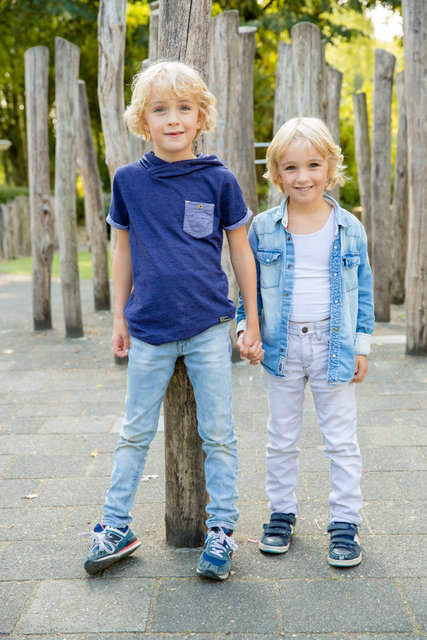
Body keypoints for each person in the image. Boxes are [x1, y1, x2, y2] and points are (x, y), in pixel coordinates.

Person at [79, 60, 263, 580]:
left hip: (209, 326)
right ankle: (116, 526)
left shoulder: (219, 179)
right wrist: (118, 316)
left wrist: (251, 319)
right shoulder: (128, 182)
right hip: (148, 330)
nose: (173, 119)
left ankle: (222, 530)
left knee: (219, 433)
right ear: (144, 121)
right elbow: (121, 251)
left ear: (201, 116)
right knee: (134, 431)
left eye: (184, 108)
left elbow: (241, 251)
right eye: (161, 110)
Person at [236, 117, 374, 567]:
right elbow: (249, 288)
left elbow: (365, 290)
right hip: (281, 344)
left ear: (331, 167)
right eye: (291, 168)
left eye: (313, 165)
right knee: (281, 437)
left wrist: (362, 345)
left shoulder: (349, 227)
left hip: (333, 344)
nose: (303, 177)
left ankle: (345, 521)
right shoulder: (264, 228)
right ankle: (281, 514)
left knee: (340, 438)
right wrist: (246, 329)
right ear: (277, 174)